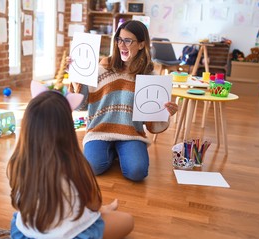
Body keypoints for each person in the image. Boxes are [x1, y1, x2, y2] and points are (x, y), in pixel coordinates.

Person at [7, 90, 134, 239]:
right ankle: (104, 211)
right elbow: (93, 204)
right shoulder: (76, 166)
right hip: (71, 235)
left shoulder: (17, 164)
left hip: (27, 234)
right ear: (67, 130)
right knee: (128, 220)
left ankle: (104, 211)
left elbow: (19, 205)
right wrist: (99, 212)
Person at [68, 20, 178, 182]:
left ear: (141, 45)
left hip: (131, 134)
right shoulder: (101, 69)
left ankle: (120, 151)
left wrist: (166, 113)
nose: (122, 45)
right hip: (99, 131)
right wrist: (77, 77)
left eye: (128, 41)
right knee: (92, 168)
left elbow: (152, 124)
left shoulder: (149, 76)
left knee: (137, 172)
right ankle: (112, 153)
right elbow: (80, 105)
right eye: (119, 40)